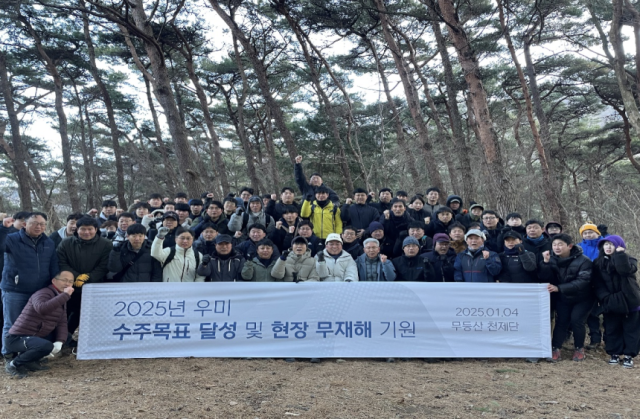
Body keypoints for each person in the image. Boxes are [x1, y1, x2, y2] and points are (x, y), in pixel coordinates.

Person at [1, 212, 59, 358]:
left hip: (39, 291)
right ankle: (9, 354)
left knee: (35, 324)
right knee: (12, 324)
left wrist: (54, 287)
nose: (38, 227)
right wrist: (3, 229)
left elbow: (53, 266)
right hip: (15, 290)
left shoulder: (49, 242)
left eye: (42, 224)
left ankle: (30, 355)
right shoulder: (12, 239)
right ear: (25, 224)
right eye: (34, 223)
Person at [4, 271, 74, 379]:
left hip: (36, 336)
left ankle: (30, 361)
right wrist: (65, 295)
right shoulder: (43, 293)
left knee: (66, 336)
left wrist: (60, 341)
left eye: (70, 281)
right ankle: (13, 364)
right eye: (64, 280)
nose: (67, 284)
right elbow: (42, 309)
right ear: (54, 281)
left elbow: (62, 322)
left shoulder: (61, 298)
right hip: (17, 338)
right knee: (45, 346)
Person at [540, 233, 593, 362]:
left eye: (560, 245)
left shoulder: (584, 260)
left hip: (583, 297)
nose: (557, 247)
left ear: (569, 246)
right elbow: (544, 278)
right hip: (563, 297)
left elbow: (583, 281)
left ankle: (579, 348)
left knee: (576, 320)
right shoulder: (551, 258)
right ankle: (555, 348)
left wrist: (560, 288)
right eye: (554, 245)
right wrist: (545, 263)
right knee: (561, 321)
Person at [57, 216, 112, 338]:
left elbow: (104, 265)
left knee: (83, 314)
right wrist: (76, 277)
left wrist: (88, 277)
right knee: (65, 312)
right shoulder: (66, 243)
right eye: (83, 229)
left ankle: (76, 336)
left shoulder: (106, 244)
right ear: (77, 229)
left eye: (90, 229)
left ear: (96, 229)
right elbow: (61, 262)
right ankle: (61, 338)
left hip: (94, 287)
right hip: (70, 285)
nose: (86, 232)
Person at [592, 235, 640, 368]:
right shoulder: (598, 262)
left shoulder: (629, 259)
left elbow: (625, 270)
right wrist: (606, 297)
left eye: (611, 244)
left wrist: (619, 255)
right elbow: (597, 283)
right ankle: (614, 353)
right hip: (610, 300)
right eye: (605, 244)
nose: (608, 247)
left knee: (631, 329)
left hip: (630, 299)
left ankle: (629, 355)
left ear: (619, 246)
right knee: (612, 328)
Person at [576, 223, 605, 349]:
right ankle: (595, 339)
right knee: (591, 313)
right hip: (586, 284)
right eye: (585, 233)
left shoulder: (604, 245)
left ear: (597, 233)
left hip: (603, 283)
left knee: (607, 312)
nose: (588, 235)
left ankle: (610, 340)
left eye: (590, 232)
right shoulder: (578, 247)